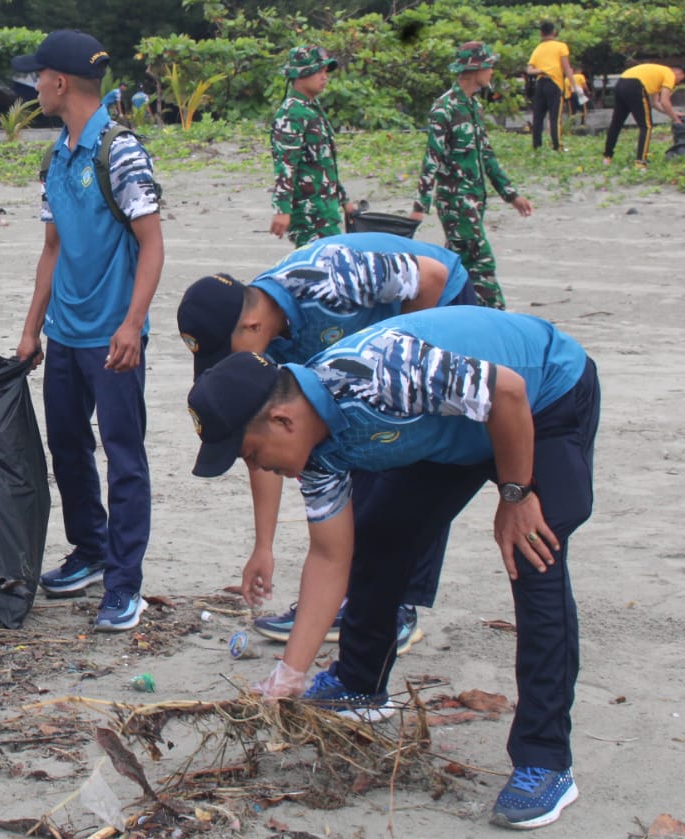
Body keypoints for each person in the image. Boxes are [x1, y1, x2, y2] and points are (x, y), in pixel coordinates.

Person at [188, 305, 599, 831]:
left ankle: (546, 760)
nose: (257, 467)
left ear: (283, 420)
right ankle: (360, 683)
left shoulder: (383, 371)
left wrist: (515, 493)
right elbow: (330, 556)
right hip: (454, 427)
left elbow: (509, 392)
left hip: (543, 400)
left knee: (533, 554)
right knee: (380, 537)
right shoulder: (316, 453)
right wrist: (290, 673)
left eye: (250, 453)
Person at [177, 233, 480, 649]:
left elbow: (431, 276)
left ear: (251, 325)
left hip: (434, 309)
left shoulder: (328, 278)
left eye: (225, 354)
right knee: (341, 456)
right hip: (361, 354)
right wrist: (263, 546)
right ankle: (351, 598)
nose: (230, 366)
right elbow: (259, 447)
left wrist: (406, 350)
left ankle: (396, 605)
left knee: (402, 466)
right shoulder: (265, 351)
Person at [12, 30, 164, 632]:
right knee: (68, 446)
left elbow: (152, 245)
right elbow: (52, 249)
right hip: (66, 334)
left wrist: (131, 324)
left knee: (124, 458)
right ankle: (90, 549)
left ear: (60, 82)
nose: (35, 87)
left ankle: (124, 585)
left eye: (38, 78)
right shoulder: (57, 155)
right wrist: (32, 330)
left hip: (112, 338)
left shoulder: (120, 152)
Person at [408, 43, 534, 310]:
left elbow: (487, 156)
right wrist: (420, 205)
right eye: (489, 66)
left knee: (457, 264)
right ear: (474, 69)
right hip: (456, 203)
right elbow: (432, 157)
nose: (492, 72)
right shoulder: (444, 108)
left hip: (475, 200)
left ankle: (444, 311)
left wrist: (511, 195)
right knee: (481, 262)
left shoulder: (474, 106)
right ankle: (498, 317)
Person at [269, 44, 357, 244]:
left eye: (325, 72)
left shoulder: (312, 109)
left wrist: (344, 200)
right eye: (318, 72)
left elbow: (325, 164)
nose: (324, 77)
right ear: (300, 75)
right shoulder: (292, 113)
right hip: (308, 214)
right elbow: (285, 165)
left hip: (326, 209)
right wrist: (282, 210)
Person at [602, 62, 685, 166]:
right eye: (680, 80)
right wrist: (676, 119)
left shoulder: (658, 74)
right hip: (635, 86)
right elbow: (665, 101)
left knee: (616, 124)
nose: (677, 84)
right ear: (680, 73)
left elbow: (655, 103)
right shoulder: (669, 74)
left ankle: (607, 157)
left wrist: (673, 113)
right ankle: (640, 162)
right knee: (646, 126)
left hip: (621, 83)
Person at [525, 22, 575, 153]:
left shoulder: (538, 48)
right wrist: (573, 85)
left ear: (541, 33)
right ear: (554, 32)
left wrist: (541, 70)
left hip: (540, 83)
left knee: (538, 117)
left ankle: (536, 146)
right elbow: (566, 68)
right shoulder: (561, 46)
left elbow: (529, 70)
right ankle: (557, 146)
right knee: (555, 117)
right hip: (554, 84)